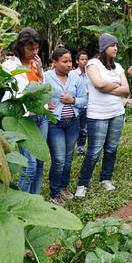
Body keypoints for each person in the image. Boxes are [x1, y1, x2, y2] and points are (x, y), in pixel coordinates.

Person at [75, 34, 129, 199]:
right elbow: (98, 84)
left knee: (111, 149)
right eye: (112, 45)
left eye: (116, 45)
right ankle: (82, 184)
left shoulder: (118, 67)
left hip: (117, 113)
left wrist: (107, 88)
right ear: (104, 46)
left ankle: (105, 178)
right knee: (94, 152)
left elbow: (126, 89)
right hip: (98, 115)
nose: (115, 48)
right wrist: (116, 86)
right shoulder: (93, 63)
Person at [2, 27, 48, 195]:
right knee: (30, 166)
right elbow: (9, 94)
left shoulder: (35, 63)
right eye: (31, 48)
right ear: (21, 46)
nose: (34, 52)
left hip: (41, 118)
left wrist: (40, 73)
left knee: (40, 161)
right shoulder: (9, 66)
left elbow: (41, 90)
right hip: (24, 120)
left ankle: (35, 200)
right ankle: (21, 204)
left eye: (37, 48)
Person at [43, 48, 87, 205]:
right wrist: (44, 104)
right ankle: (54, 193)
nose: (69, 65)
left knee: (68, 158)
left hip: (73, 123)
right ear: (55, 62)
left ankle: (63, 187)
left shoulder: (76, 78)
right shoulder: (46, 77)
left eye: (70, 61)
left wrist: (73, 100)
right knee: (59, 159)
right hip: (55, 124)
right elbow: (39, 94)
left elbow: (84, 99)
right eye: (65, 61)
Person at [71, 50, 89, 155]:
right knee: (74, 128)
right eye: (82, 59)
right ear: (77, 61)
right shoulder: (72, 74)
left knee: (84, 129)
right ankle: (71, 147)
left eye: (86, 59)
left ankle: (81, 148)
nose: (85, 61)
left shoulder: (91, 74)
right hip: (76, 105)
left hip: (88, 105)